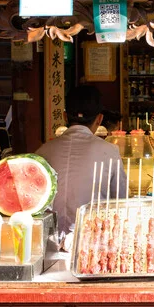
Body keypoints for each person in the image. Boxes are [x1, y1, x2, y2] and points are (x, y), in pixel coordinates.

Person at [34, 86, 123, 239]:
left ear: (65, 117)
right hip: (90, 243)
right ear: (99, 119)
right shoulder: (110, 151)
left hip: (48, 242)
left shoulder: (42, 151)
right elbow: (121, 202)